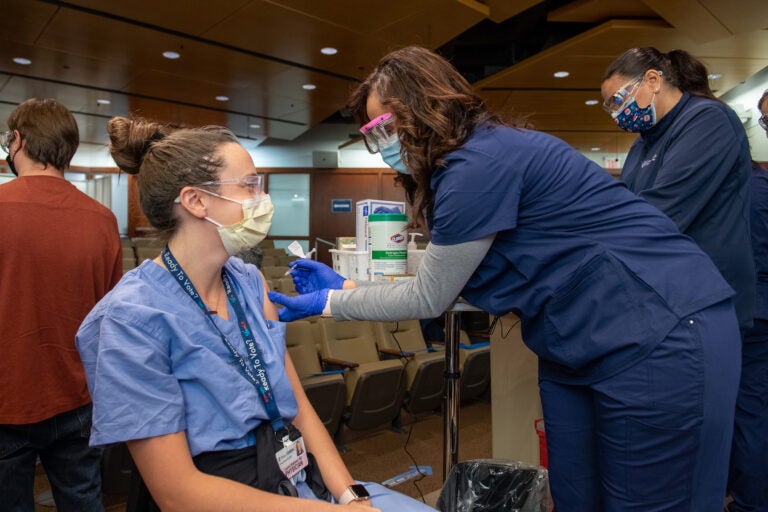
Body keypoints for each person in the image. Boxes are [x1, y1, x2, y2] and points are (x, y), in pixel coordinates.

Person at [268, 46, 743, 511]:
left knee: (650, 499)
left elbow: (431, 294)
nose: (383, 143)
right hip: (579, 341)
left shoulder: (480, 163)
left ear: (427, 105)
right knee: (578, 495)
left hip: (658, 329)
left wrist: (330, 303)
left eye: (387, 126)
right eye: (373, 132)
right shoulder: (461, 166)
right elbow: (456, 276)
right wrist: (350, 287)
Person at [75, 117, 436, 512]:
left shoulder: (249, 281)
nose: (261, 200)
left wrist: (350, 495)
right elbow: (177, 492)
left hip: (294, 476)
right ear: (196, 201)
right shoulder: (130, 317)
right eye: (248, 186)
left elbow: (297, 407)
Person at [0, 98, 122, 511]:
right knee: (84, 502)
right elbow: (110, 316)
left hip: (6, 397)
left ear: (16, 141)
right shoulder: (102, 219)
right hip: (79, 394)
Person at [600, 47, 755, 332]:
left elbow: (663, 210)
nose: (616, 114)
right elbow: (624, 202)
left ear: (652, 80)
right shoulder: (644, 141)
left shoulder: (707, 119)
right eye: (609, 107)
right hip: (666, 296)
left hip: (707, 295)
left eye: (618, 100)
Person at [726, 89, 768, 512]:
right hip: (755, 311)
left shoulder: (741, 189)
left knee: (750, 415)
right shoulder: (758, 184)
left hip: (750, 314)